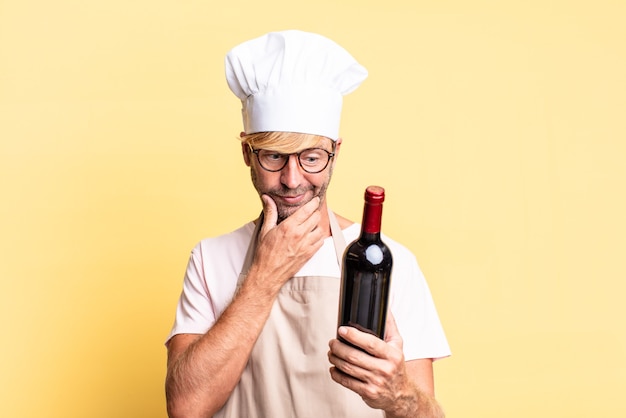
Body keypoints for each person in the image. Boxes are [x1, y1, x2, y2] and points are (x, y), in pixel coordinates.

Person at [165, 30, 450, 418]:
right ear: (247, 153)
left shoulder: (391, 263)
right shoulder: (210, 259)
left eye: (312, 158)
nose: (293, 179)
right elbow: (185, 408)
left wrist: (400, 395)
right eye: (274, 157)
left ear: (335, 154)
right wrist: (264, 275)